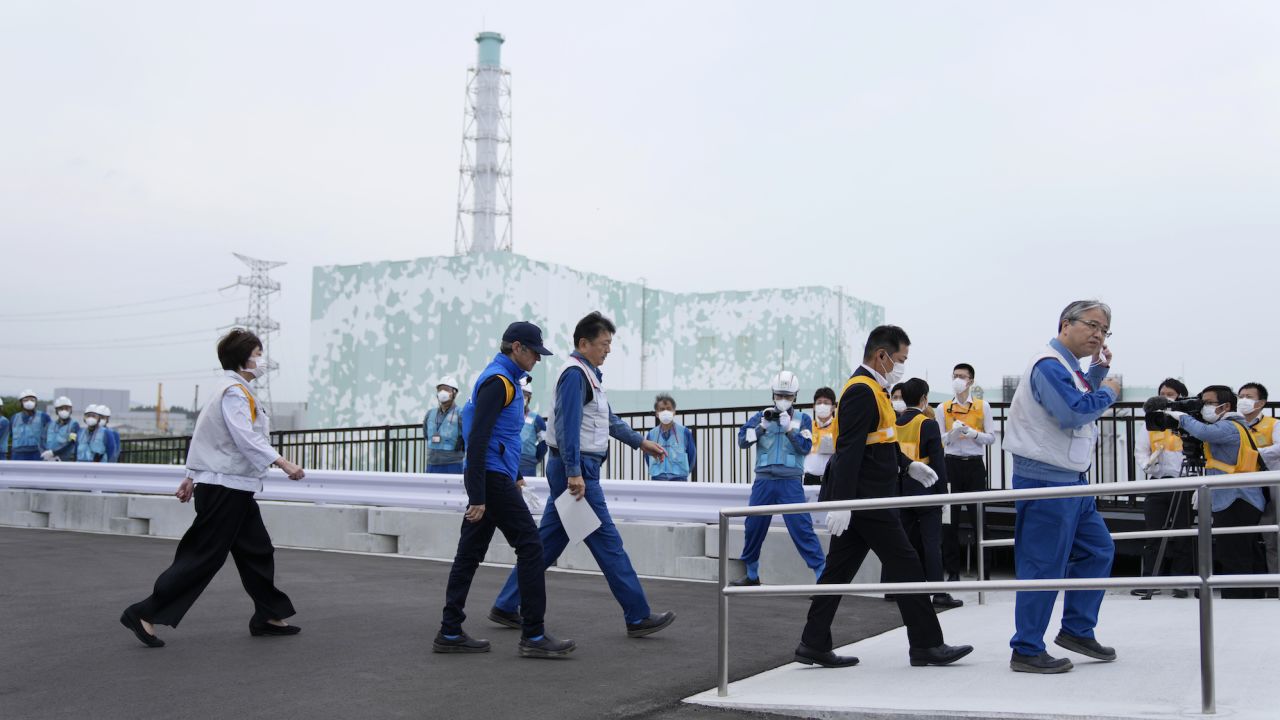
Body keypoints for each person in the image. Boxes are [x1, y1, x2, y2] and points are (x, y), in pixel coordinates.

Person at [489, 311, 676, 639]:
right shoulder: (576, 374)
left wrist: (641, 442)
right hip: (576, 472)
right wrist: (575, 472)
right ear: (584, 343)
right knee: (607, 542)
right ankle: (637, 614)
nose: (608, 350)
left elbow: (609, 421)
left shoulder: (589, 376)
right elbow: (567, 425)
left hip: (572, 469)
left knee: (546, 543)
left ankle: (506, 603)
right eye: (604, 344)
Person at [796, 325, 973, 669]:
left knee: (837, 572)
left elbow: (880, 441)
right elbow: (848, 450)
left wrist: (907, 467)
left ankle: (813, 642)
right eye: (901, 359)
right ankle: (926, 644)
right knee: (907, 564)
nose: (902, 366)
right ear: (882, 355)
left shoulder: (875, 390)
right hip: (866, 500)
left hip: (868, 497)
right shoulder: (861, 391)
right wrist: (844, 503)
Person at [120, 329, 307, 648]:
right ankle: (145, 612)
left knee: (257, 550)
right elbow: (244, 437)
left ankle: (268, 614)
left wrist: (191, 475)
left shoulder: (234, 389)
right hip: (225, 488)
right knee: (203, 555)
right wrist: (283, 462)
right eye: (258, 353)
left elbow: (206, 434)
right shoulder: (234, 391)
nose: (261, 359)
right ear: (242, 358)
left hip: (232, 486)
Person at [438, 321, 576, 657]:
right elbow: (479, 437)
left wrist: (512, 474)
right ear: (517, 348)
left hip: (496, 475)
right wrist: (478, 495)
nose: (538, 360)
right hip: (490, 477)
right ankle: (534, 635)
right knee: (531, 547)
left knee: (469, 554)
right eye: (534, 353)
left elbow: (497, 436)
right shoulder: (499, 383)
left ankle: (450, 631)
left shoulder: (505, 381)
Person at [1003, 300, 1121, 673]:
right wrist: (1110, 393)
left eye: (1104, 330)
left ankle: (1076, 629)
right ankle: (1026, 648)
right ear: (1065, 324)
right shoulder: (1049, 365)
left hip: (1073, 480)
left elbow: (1078, 398)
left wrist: (1098, 374)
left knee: (1098, 550)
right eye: (1092, 325)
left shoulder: (1068, 367)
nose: (1098, 334)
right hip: (1046, 479)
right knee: (1043, 565)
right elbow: (1073, 412)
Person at [1168, 385, 1267, 599]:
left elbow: (1204, 432)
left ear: (1225, 406)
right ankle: (1255, 598)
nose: (1204, 407)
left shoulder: (1230, 426)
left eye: (1209, 403)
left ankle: (1238, 603)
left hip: (1237, 498)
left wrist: (1181, 418)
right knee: (1245, 551)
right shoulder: (1231, 425)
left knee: (1233, 554)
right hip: (1236, 498)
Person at [730, 371, 826, 586]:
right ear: (773, 394)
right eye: (780, 395)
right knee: (754, 525)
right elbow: (743, 441)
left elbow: (806, 447)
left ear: (795, 397)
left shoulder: (803, 419)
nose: (784, 400)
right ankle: (752, 575)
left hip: (790, 481)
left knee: (801, 527)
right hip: (764, 480)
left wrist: (789, 430)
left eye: (788, 396)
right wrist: (761, 427)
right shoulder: (761, 416)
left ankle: (822, 576)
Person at [892, 378, 962, 609]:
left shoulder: (896, 423)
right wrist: (943, 494)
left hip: (901, 490)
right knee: (932, 543)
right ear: (924, 399)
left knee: (905, 543)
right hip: (926, 490)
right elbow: (938, 463)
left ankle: (901, 589)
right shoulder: (928, 423)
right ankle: (938, 592)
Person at [1132, 378, 1193, 597]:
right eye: (1162, 393)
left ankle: (1182, 581)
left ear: (1180, 396)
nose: (1166, 397)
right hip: (1159, 481)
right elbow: (1141, 450)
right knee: (1153, 532)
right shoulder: (1149, 423)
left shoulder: (1187, 421)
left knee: (1183, 533)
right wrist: (1147, 465)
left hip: (1184, 482)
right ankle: (1150, 580)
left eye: (1171, 393)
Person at [938, 363, 997, 583]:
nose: (958, 380)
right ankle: (953, 573)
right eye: (955, 376)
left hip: (974, 465)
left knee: (979, 519)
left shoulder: (983, 406)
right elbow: (940, 440)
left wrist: (972, 434)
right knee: (949, 523)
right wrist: (952, 434)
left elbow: (991, 437)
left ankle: (985, 573)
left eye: (962, 376)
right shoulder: (943, 408)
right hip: (951, 465)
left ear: (971, 380)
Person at [1239, 382, 1279, 590]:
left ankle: (1274, 585)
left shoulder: (1274, 424)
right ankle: (1256, 585)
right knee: (1251, 537)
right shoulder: (1235, 425)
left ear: (1261, 402)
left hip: (1271, 486)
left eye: (1248, 396)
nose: (1243, 400)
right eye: (1241, 396)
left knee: (1273, 538)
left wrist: (1254, 454)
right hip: (1245, 487)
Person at [646, 393, 696, 482]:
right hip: (657, 479)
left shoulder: (684, 432)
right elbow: (647, 457)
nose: (665, 412)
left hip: (679, 479)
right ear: (657, 413)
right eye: (662, 409)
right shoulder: (651, 434)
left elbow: (692, 456)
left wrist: (685, 473)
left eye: (669, 409)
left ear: (674, 412)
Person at [425, 376, 465, 474]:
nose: (442, 392)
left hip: (453, 464)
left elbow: (468, 435)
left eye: (446, 389)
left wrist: (462, 442)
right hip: (432, 464)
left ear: (454, 393)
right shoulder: (430, 414)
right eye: (440, 389)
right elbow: (426, 434)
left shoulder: (460, 413)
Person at [803, 387, 838, 486]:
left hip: (831, 478)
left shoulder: (839, 426)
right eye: (819, 403)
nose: (822, 405)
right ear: (814, 406)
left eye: (826, 403)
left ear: (833, 407)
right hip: (809, 479)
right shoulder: (807, 426)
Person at [518, 380, 548, 478]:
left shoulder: (537, 419)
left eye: (525, 396)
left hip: (527, 465)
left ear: (529, 398)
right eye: (520, 395)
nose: (522, 399)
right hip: (509, 463)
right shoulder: (508, 418)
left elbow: (543, 444)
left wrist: (534, 460)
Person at [10, 390, 51, 461]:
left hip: (37, 453)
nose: (29, 402)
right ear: (21, 403)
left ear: (36, 402)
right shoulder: (14, 417)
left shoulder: (44, 417)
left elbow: (51, 434)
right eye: (26, 400)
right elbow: (11, 433)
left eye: (32, 400)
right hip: (17, 454)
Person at [43, 396, 80, 462]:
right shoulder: (49, 425)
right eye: (61, 408)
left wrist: (54, 453)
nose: (64, 411)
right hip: (49, 459)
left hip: (66, 460)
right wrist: (45, 453)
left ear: (71, 410)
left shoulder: (74, 425)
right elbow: (42, 440)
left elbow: (71, 443)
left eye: (67, 408)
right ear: (56, 410)